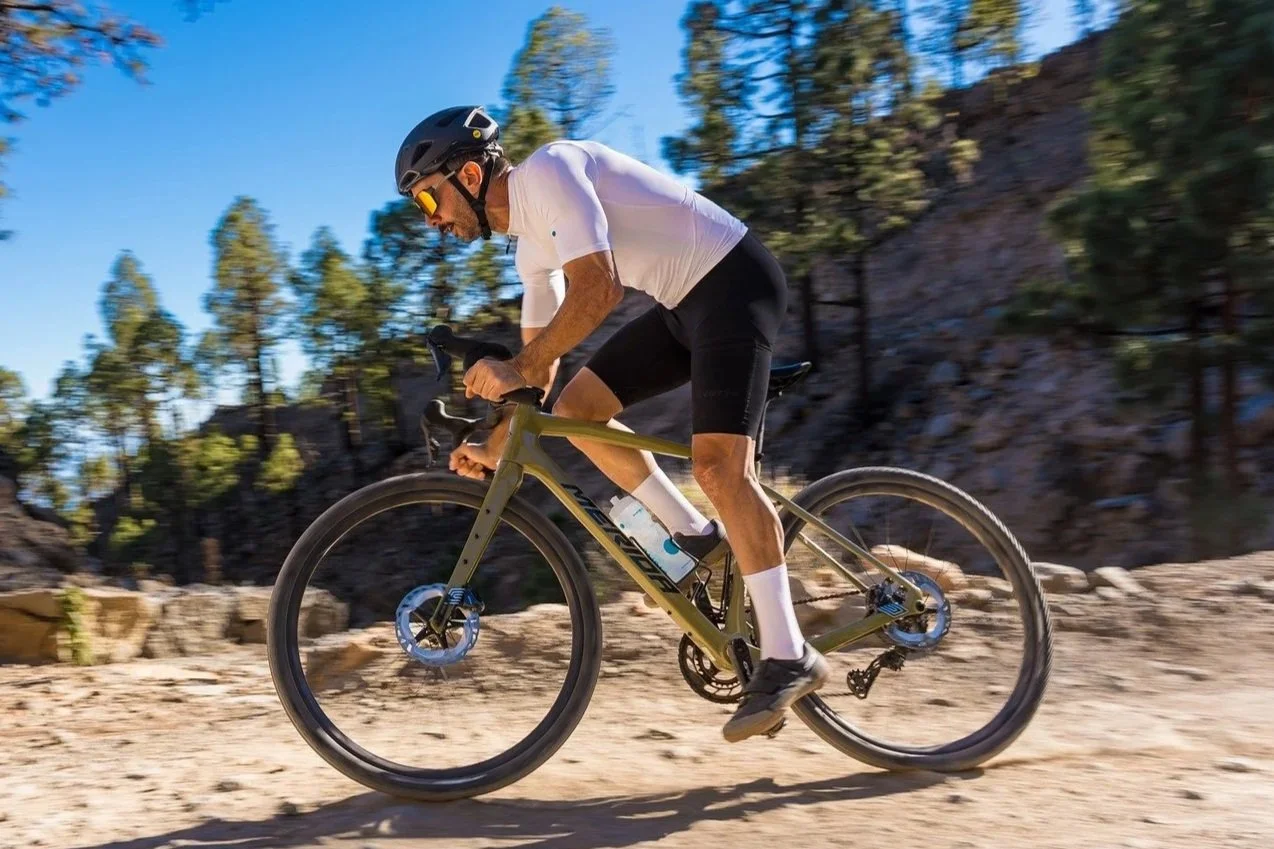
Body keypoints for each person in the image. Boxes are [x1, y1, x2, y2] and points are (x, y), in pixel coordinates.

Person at [394, 105, 829, 742]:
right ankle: (699, 537)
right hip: (684, 304)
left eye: (430, 202)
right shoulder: (527, 253)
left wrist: (519, 365)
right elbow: (538, 380)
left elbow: (599, 289)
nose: (434, 224)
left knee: (717, 466)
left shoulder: (551, 171)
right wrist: (494, 442)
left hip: (735, 284)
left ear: (466, 174)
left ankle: (789, 656)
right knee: (575, 413)